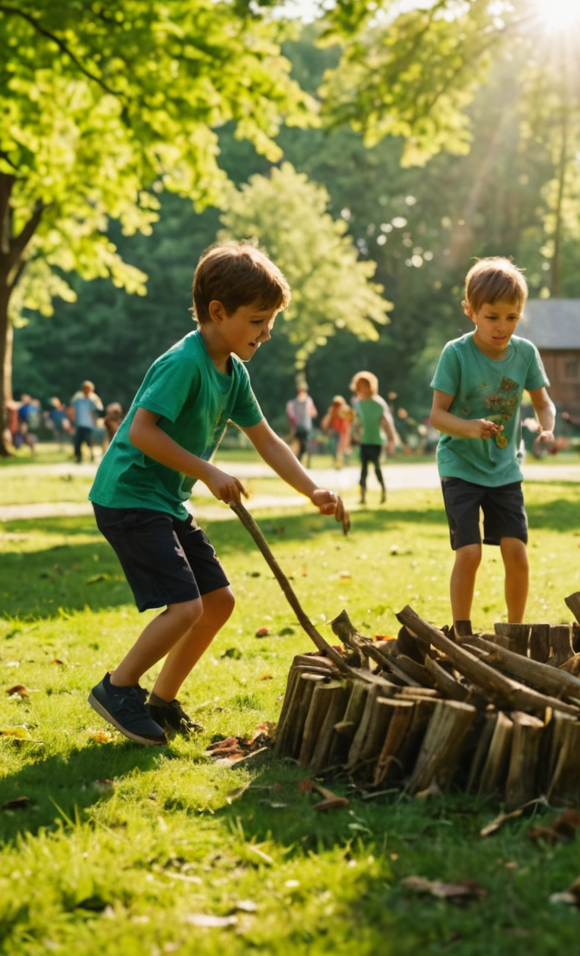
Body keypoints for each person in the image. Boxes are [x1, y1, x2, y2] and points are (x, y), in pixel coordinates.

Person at [86, 242, 348, 746]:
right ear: (217, 312)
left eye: (271, 322)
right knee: (186, 606)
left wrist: (312, 489)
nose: (266, 333)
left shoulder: (234, 372)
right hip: (128, 497)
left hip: (163, 501)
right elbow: (140, 432)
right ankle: (117, 689)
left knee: (219, 601)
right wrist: (207, 471)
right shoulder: (184, 362)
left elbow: (268, 439)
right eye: (258, 321)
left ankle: (160, 702)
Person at [429, 257, 555, 637]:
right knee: (470, 552)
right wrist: (468, 428)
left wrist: (547, 427)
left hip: (504, 469)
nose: (502, 327)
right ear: (470, 311)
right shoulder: (456, 354)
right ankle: (463, 633)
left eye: (511, 317)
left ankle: (515, 633)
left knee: (516, 552)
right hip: (460, 466)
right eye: (492, 317)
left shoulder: (526, 353)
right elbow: (437, 415)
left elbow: (543, 401)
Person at [350, 370, 399, 505]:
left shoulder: (378, 403)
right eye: (360, 385)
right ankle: (363, 496)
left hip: (376, 441)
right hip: (364, 441)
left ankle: (383, 492)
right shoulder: (357, 403)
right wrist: (354, 436)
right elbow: (356, 423)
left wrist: (391, 440)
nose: (363, 388)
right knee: (363, 470)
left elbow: (386, 424)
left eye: (365, 385)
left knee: (377, 468)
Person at [70, 381, 105, 463]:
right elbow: (72, 409)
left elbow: (99, 411)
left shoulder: (93, 400)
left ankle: (92, 455)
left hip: (89, 425)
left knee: (90, 442)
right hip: (79, 424)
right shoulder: (78, 400)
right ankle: (78, 457)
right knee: (77, 442)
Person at [286, 382, 318, 461]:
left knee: (304, 444)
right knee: (301, 444)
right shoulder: (305, 401)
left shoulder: (295, 402)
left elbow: (314, 413)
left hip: (304, 426)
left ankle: (303, 459)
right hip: (301, 426)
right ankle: (300, 459)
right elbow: (314, 414)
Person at [323, 395, 354, 471]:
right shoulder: (332, 410)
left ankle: (344, 462)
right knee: (334, 446)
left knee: (343, 448)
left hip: (343, 432)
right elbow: (328, 420)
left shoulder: (346, 409)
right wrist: (327, 429)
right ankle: (336, 461)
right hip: (335, 431)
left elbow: (350, 419)